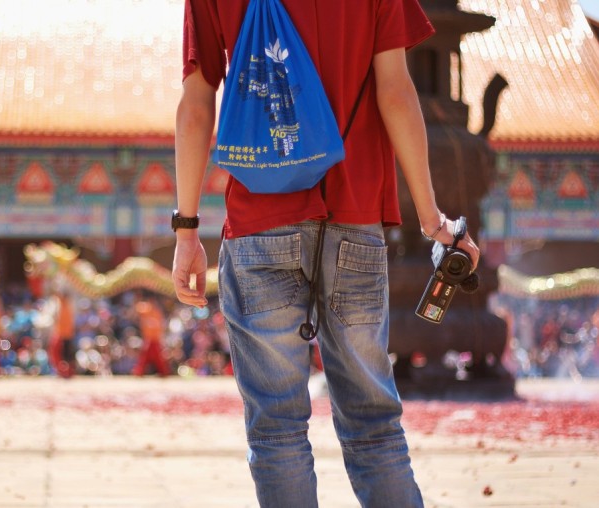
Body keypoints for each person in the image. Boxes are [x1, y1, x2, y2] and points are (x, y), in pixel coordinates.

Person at [172, 1, 481, 506]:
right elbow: (396, 92)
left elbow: (197, 104)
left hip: (259, 221)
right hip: (354, 218)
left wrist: (187, 230)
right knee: (374, 425)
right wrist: (434, 221)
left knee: (276, 430)